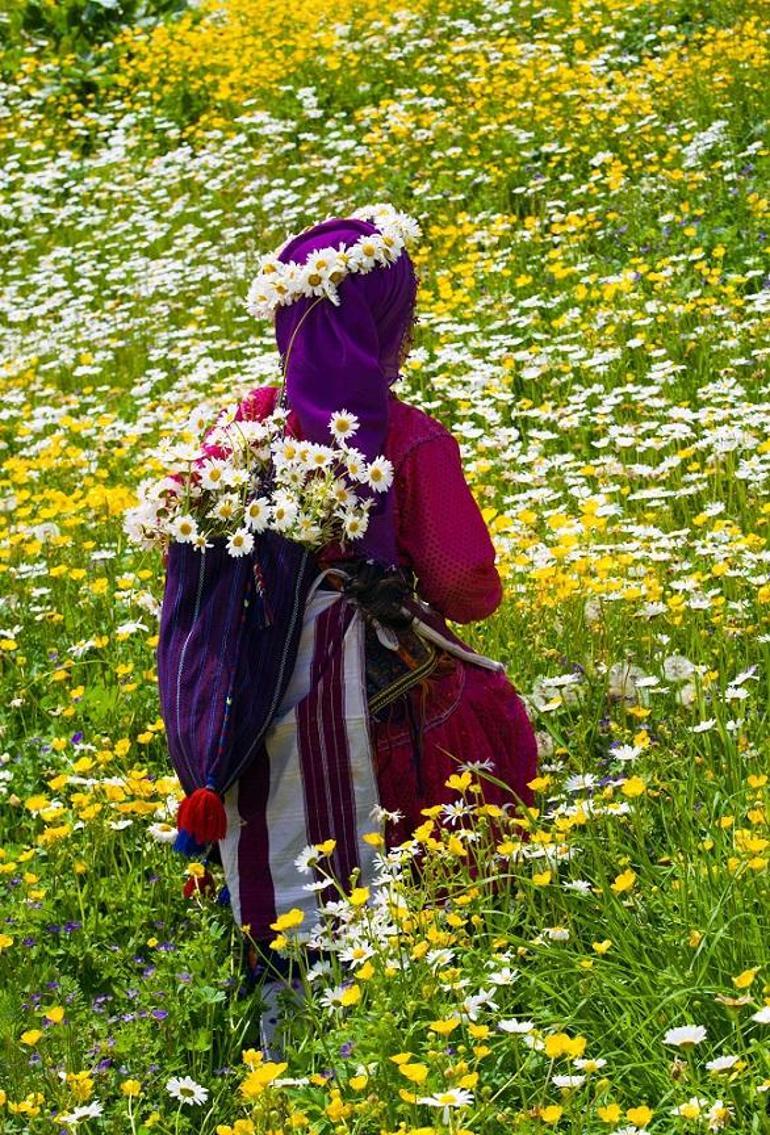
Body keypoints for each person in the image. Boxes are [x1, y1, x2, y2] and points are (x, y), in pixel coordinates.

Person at [208, 207, 538, 1051]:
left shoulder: (243, 432)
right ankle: (425, 1010)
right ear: (383, 325)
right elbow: (466, 587)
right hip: (394, 709)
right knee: (465, 751)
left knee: (283, 843)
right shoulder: (408, 439)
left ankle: (278, 1012)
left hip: (260, 702)